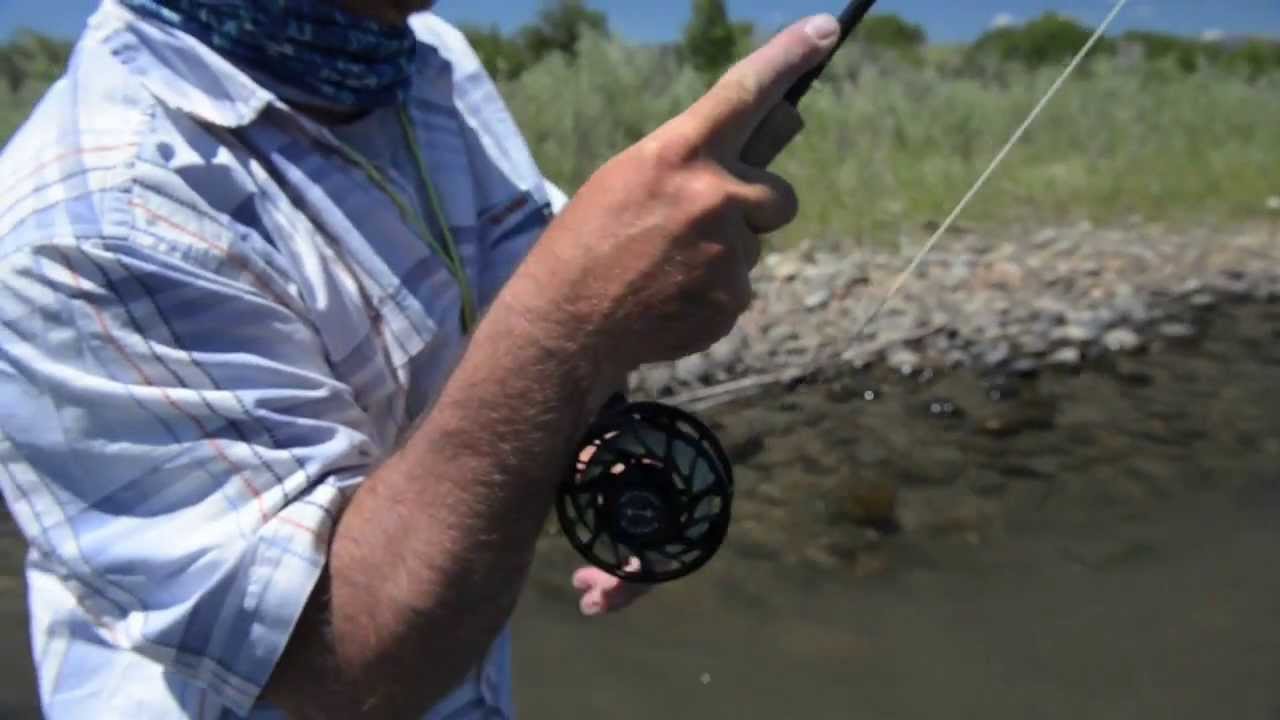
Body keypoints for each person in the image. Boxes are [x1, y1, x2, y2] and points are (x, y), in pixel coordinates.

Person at [0, 0, 839, 717]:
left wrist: (603, 436)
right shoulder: (93, 224)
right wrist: (571, 323)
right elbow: (341, 665)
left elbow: (507, 319)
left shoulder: (423, 55)